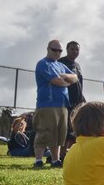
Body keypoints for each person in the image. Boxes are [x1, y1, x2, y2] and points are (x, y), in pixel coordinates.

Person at [33, 40, 79, 168]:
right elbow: (57, 81)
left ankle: (55, 160)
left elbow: (74, 77)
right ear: (48, 49)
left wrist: (64, 76)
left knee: (59, 134)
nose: (57, 53)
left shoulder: (60, 65)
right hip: (47, 104)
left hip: (62, 104)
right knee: (44, 132)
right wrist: (65, 80)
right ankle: (38, 160)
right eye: (54, 50)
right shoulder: (43, 64)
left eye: (60, 51)